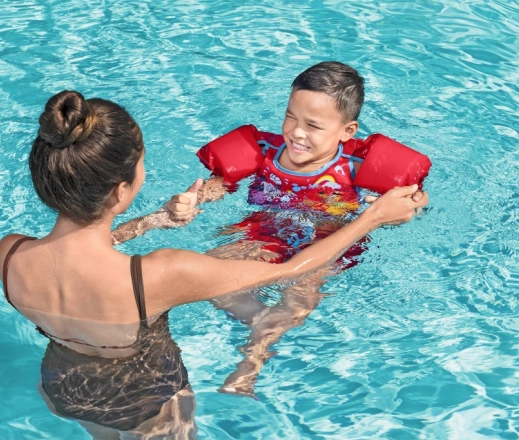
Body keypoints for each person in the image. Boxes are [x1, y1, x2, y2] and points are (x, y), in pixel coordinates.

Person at [0, 90, 427, 431]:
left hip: (65, 389)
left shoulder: (11, 252)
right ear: (121, 191)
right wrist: (373, 216)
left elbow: (78, 250)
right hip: (148, 405)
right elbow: (291, 269)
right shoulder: (162, 273)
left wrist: (149, 223)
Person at [160, 61, 428, 397]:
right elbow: (217, 185)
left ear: (347, 131)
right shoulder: (265, 153)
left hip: (330, 239)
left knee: (300, 296)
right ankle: (263, 321)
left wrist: (409, 210)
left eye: (313, 125)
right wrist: (192, 199)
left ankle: (251, 362)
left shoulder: (357, 171)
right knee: (212, 277)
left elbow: (409, 205)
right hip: (265, 230)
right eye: (291, 117)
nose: (297, 133)